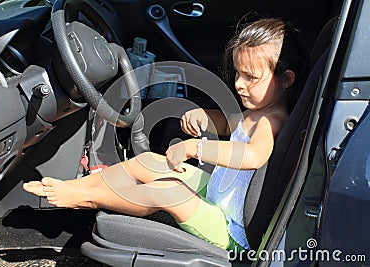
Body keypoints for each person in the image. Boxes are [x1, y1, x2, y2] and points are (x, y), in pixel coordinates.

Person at [23, 17, 309, 252]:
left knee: (168, 191)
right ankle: (83, 185)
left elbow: (252, 154)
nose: (239, 84)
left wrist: (193, 148)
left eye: (251, 77)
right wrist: (203, 116)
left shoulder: (273, 121)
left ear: (285, 80)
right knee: (147, 161)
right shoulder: (256, 110)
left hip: (231, 227)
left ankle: (86, 199)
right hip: (217, 192)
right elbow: (228, 124)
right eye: (237, 73)